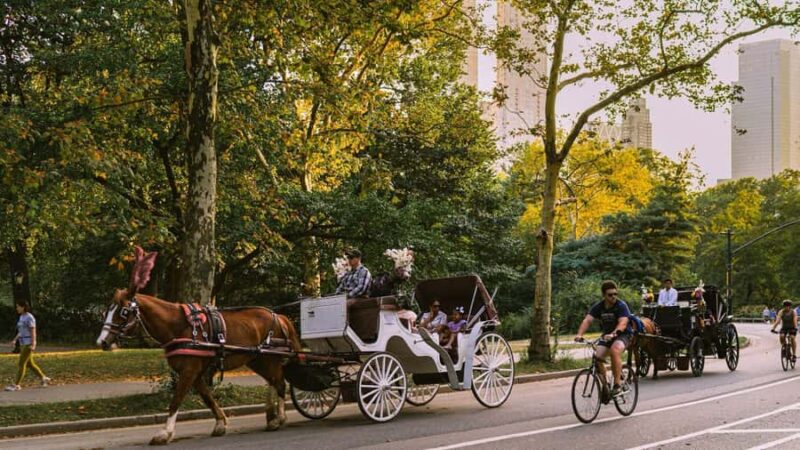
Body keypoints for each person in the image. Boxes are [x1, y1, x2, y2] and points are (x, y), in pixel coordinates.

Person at [575, 280, 633, 397]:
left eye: (615, 294)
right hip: (607, 336)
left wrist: (614, 333)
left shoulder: (621, 305)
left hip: (623, 335)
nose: (613, 297)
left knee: (614, 350)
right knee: (597, 357)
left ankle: (617, 385)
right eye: (610, 295)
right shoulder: (599, 307)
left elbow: (623, 323)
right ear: (603, 295)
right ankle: (605, 386)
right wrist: (579, 334)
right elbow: (587, 320)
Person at [5, 300, 50, 391]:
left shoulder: (29, 317)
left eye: (18, 306)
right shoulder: (21, 317)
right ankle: (44, 378)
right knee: (30, 364)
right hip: (22, 343)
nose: (17, 308)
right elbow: (21, 331)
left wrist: (33, 344)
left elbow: (33, 331)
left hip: (28, 343)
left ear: (23, 307)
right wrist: (15, 339)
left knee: (21, 363)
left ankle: (16, 385)